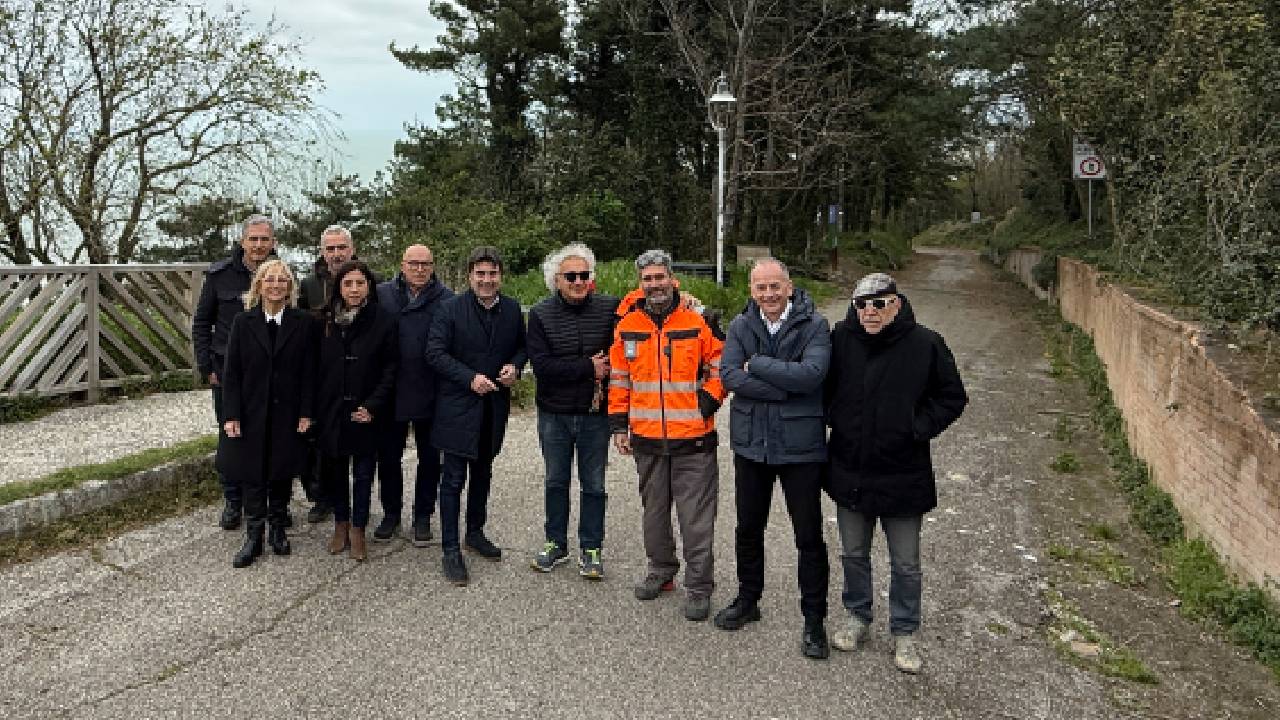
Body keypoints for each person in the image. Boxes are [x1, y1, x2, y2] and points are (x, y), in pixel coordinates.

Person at [824, 272, 968, 674]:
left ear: (897, 304)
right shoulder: (841, 341)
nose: (870, 312)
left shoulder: (926, 344)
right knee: (853, 553)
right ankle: (858, 616)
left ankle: (905, 630)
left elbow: (952, 397)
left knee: (906, 562)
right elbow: (820, 384)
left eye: (880, 303)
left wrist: (917, 427)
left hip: (903, 472)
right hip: (850, 468)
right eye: (862, 305)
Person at [714, 258, 833, 659]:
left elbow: (812, 375)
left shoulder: (814, 324)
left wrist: (759, 366)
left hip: (800, 447)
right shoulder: (740, 325)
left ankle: (814, 619)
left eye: (774, 286)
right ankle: (749, 600)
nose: (768, 294)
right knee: (748, 528)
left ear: (789, 286)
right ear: (752, 290)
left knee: (808, 536)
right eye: (760, 287)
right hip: (751, 445)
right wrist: (782, 388)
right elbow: (729, 374)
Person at [609, 249, 726, 621]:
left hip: (693, 439)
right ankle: (661, 571)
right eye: (648, 279)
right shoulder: (627, 324)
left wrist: (708, 401)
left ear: (672, 279)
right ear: (640, 283)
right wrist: (618, 425)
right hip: (646, 440)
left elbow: (722, 365)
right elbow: (618, 378)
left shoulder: (699, 318)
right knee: (654, 515)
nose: (655, 284)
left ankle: (699, 587)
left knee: (695, 519)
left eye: (660, 278)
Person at [426, 246, 527, 586]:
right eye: (480, 274)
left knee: (483, 473)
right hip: (457, 407)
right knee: (453, 480)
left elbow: (522, 346)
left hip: (494, 408)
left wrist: (516, 365)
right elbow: (435, 353)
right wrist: (468, 378)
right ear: (470, 276)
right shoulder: (449, 309)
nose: (486, 280)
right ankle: (450, 549)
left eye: (492, 274)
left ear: (501, 276)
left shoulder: (512, 309)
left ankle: (475, 532)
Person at [526, 243, 619, 579]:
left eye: (585, 275)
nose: (579, 281)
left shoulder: (610, 308)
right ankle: (556, 543)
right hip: (554, 414)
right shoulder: (540, 314)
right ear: (557, 280)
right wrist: (587, 368)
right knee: (556, 480)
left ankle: (591, 546)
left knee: (594, 484)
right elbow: (542, 366)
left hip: (595, 414)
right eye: (571, 276)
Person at [217, 260, 316, 568]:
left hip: (288, 412)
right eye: (270, 280)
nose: (276, 285)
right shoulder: (243, 323)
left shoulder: (303, 323)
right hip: (251, 411)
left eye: (282, 280)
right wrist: (230, 414)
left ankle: (277, 529)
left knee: (281, 472)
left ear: (290, 287)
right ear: (259, 285)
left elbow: (310, 373)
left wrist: (306, 411)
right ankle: (254, 536)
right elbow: (231, 372)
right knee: (254, 475)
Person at [192, 214, 277, 530]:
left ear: (273, 243)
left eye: (264, 239)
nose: (258, 245)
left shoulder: (281, 275)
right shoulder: (220, 276)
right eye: (253, 239)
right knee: (231, 435)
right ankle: (233, 499)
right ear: (243, 241)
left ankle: (270, 500)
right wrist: (205, 366)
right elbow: (202, 323)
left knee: (269, 435)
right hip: (227, 371)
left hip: (270, 373)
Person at [315, 261, 398, 562]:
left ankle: (359, 528)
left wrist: (373, 406)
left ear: (369, 287)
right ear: (338, 286)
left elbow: (391, 369)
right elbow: (314, 367)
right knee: (336, 472)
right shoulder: (324, 321)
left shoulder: (384, 321)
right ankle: (341, 523)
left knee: (363, 474)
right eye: (347, 283)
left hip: (366, 410)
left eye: (359, 283)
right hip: (332, 410)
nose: (353, 289)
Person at [373, 244, 454, 545]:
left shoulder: (448, 299)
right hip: (391, 389)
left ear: (433, 266)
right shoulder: (381, 294)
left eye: (425, 264)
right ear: (402, 264)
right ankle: (391, 513)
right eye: (413, 263)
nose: (419, 269)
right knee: (389, 458)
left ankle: (422, 515)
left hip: (431, 389)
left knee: (430, 459)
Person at [297, 225, 363, 524]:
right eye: (330, 249)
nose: (336, 254)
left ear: (351, 249)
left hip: (357, 371)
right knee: (320, 441)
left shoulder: (364, 279)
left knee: (355, 441)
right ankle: (321, 498)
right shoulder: (310, 284)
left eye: (341, 247)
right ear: (322, 252)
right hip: (321, 372)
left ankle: (355, 502)